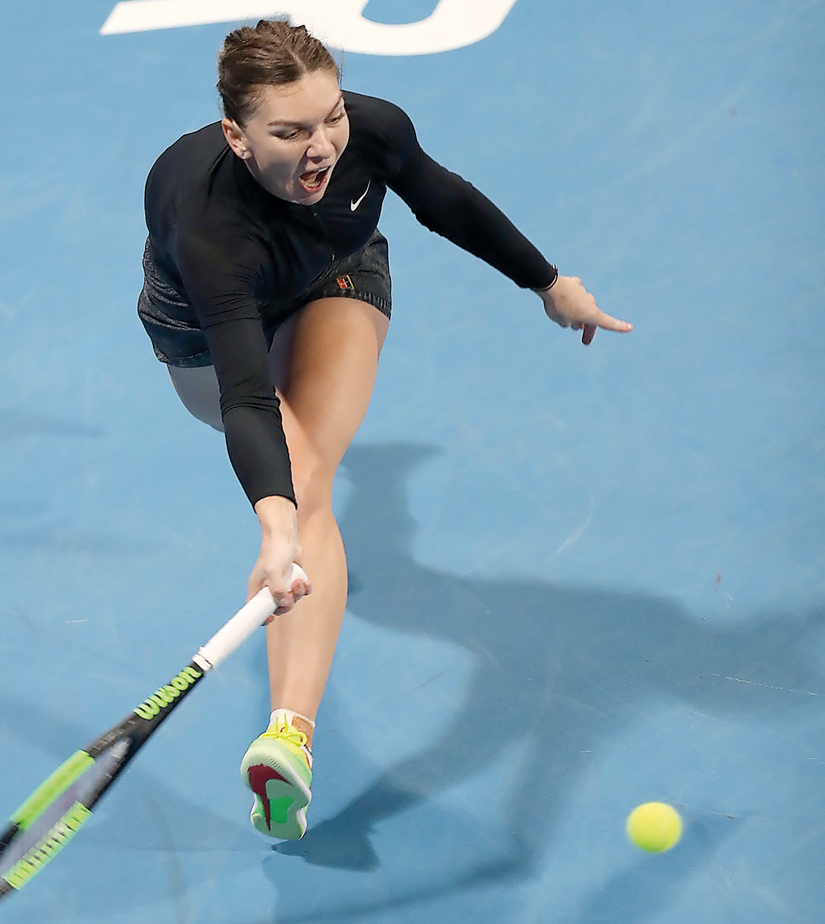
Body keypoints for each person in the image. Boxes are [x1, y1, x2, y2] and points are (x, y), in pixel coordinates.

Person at [137, 19, 631, 840]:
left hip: (335, 269)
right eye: (289, 132)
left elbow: (445, 200)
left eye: (329, 117)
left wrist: (548, 283)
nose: (322, 145)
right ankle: (311, 531)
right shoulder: (208, 227)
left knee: (312, 484)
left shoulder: (370, 128)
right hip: (210, 330)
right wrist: (272, 524)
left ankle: (287, 737)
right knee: (291, 499)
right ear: (237, 134)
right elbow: (248, 393)